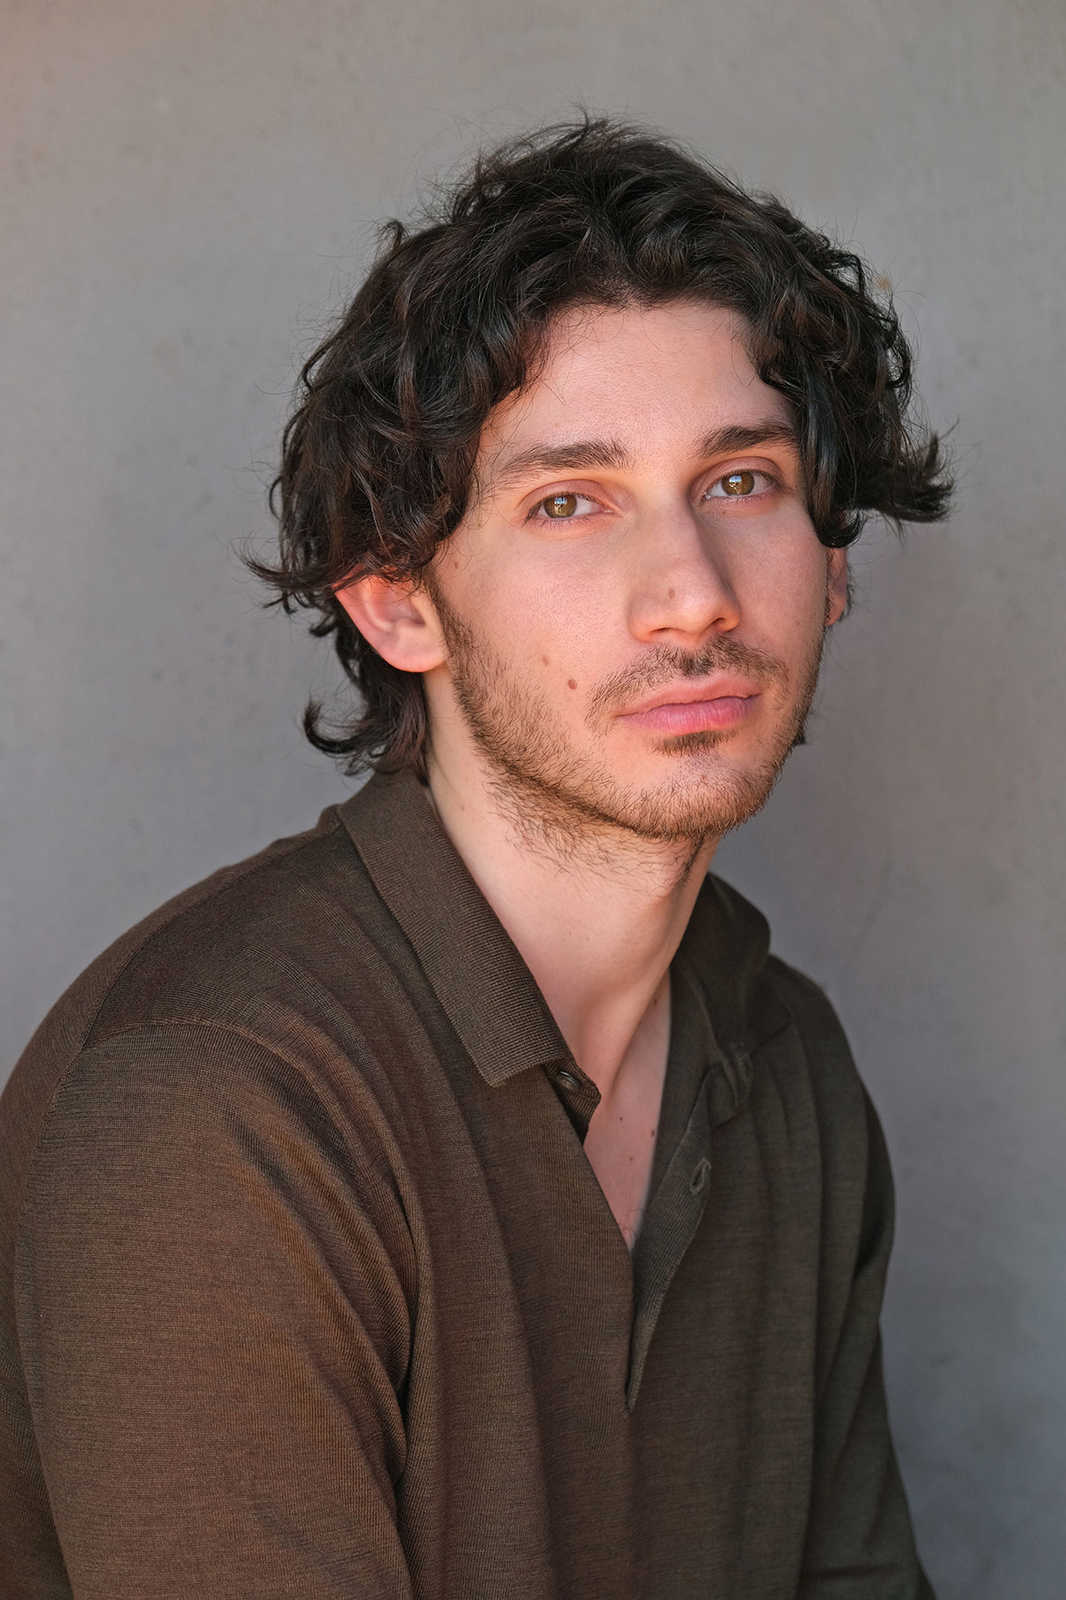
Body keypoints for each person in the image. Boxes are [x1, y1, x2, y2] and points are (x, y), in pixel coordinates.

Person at [0, 117, 952, 1598]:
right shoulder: (216, 1096)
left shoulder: (786, 1063)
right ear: (398, 605)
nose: (691, 595)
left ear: (831, 563)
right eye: (568, 502)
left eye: (741, 481)